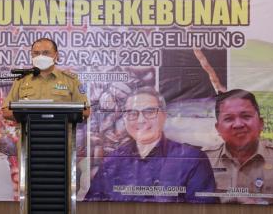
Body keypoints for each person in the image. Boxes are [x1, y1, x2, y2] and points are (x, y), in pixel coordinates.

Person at [85, 87, 216, 203]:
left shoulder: (193, 160)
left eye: (149, 112)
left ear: (164, 116)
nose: (141, 120)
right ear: (124, 119)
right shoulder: (111, 162)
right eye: (132, 113)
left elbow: (202, 210)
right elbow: (93, 206)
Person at [203, 89, 273, 204]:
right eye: (229, 118)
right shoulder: (203, 160)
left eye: (246, 116)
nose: (238, 124)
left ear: (261, 123)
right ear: (218, 128)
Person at [2, 37, 90, 120]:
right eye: (36, 53)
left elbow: (86, 111)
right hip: (29, 133)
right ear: (31, 55)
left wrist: (57, 116)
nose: (40, 56)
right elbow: (6, 111)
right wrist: (27, 116)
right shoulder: (21, 80)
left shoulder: (71, 80)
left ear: (56, 55)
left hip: (61, 134)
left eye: (46, 53)